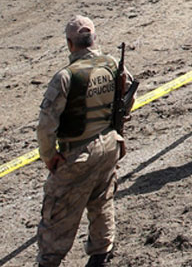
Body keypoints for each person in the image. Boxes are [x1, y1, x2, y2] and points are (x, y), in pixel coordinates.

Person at [36, 15, 135, 267]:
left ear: (70, 44)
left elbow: (46, 125)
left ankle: (49, 261)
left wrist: (49, 156)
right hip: (111, 144)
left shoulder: (66, 77)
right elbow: (129, 94)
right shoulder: (113, 64)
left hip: (78, 154)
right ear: (93, 39)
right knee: (102, 201)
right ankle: (100, 255)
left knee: (57, 214)